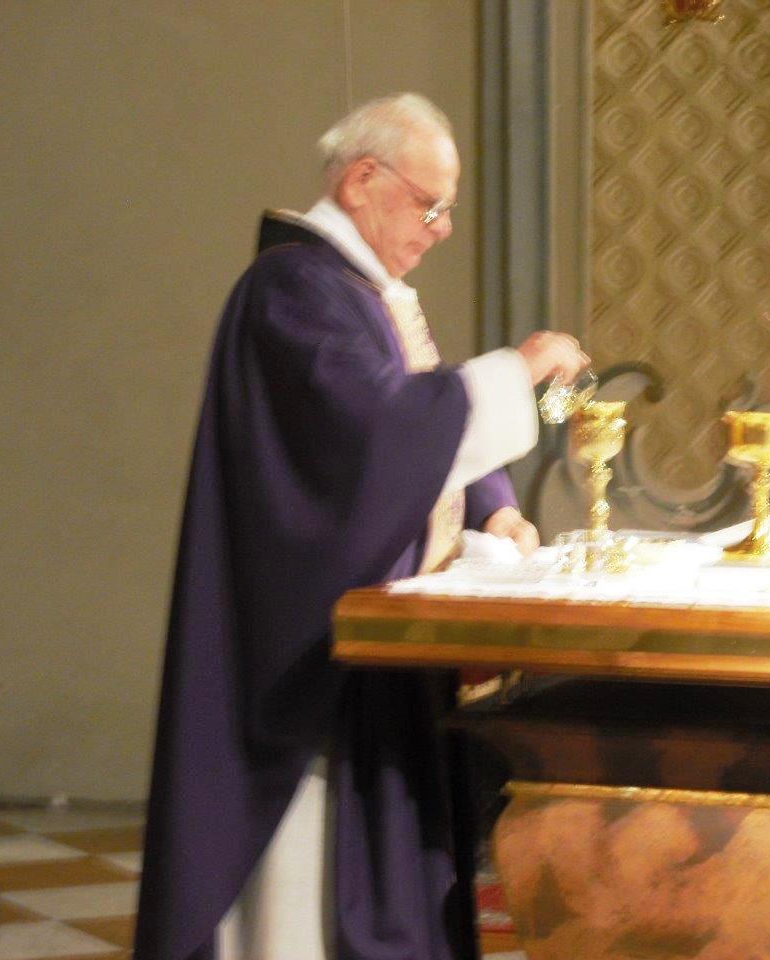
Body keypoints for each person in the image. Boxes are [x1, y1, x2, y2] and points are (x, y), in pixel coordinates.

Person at [134, 93, 587, 960]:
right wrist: (519, 368)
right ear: (362, 181)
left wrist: (493, 503)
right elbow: (371, 440)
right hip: (305, 669)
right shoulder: (291, 289)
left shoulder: (359, 293)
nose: (442, 229)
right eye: (431, 204)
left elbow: (413, 413)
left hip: (373, 659)